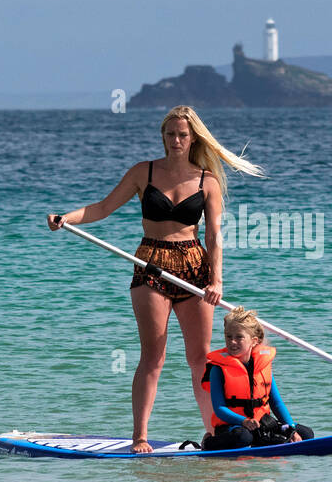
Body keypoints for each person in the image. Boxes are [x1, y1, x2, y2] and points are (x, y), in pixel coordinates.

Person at [48, 106, 264, 452]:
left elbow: (214, 236)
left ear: (193, 137)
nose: (175, 140)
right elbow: (102, 208)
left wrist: (216, 280)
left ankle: (214, 433)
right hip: (150, 264)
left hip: (195, 269)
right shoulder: (142, 172)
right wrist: (67, 218)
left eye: (182, 134)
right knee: (153, 356)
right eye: (170, 134)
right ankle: (140, 437)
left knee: (200, 359)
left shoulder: (207, 180)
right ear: (162, 136)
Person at [201, 307, 314, 450]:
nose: (232, 342)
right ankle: (208, 442)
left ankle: (262, 441)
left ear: (254, 341)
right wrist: (244, 421)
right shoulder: (218, 369)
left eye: (239, 337)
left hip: (261, 424)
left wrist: (291, 429)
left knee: (306, 433)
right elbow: (219, 409)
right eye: (228, 337)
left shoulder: (263, 366)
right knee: (244, 437)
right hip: (232, 426)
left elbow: (276, 403)